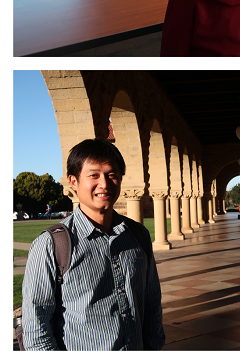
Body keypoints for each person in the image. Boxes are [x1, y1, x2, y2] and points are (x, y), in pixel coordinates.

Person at [21, 139, 164, 350]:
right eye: (94, 175)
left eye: (112, 175)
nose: (104, 184)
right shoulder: (52, 245)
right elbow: (36, 327)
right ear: (74, 181)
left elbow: (151, 302)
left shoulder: (138, 235)